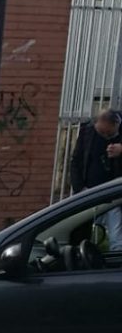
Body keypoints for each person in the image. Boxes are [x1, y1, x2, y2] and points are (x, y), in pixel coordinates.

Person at [70, 108, 122, 253]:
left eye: (109, 133)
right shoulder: (88, 131)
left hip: (114, 195)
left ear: (116, 124)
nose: (105, 136)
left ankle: (117, 258)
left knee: (117, 236)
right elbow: (76, 161)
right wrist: (80, 189)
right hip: (89, 192)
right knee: (81, 231)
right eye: (101, 133)